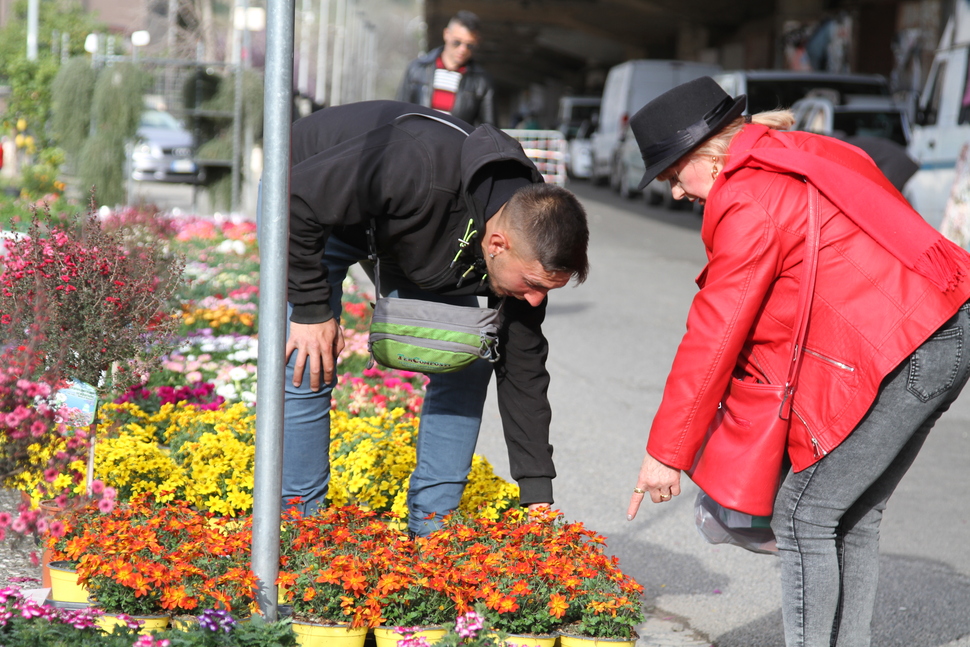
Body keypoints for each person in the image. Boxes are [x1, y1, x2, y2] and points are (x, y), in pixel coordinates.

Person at [623, 77, 970, 646]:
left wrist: (665, 452)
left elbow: (715, 332)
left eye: (670, 174)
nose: (676, 192)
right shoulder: (792, 155)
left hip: (910, 345)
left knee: (802, 513)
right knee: (851, 514)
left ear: (704, 157)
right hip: (943, 326)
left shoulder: (748, 197)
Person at [284, 99, 589, 537]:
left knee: (466, 362)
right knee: (308, 360)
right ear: (497, 244)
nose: (536, 301)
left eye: (548, 290)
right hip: (313, 200)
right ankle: (298, 528)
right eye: (534, 284)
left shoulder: (533, 228)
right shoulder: (418, 165)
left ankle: (432, 535)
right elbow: (298, 198)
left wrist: (536, 492)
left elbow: (522, 365)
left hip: (408, 231)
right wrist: (312, 310)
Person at [396, 10, 494, 126]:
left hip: (457, 144)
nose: (463, 49)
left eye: (470, 45)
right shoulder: (417, 69)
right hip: (417, 142)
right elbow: (399, 114)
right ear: (446, 34)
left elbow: (489, 130)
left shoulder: (482, 81)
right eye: (457, 42)